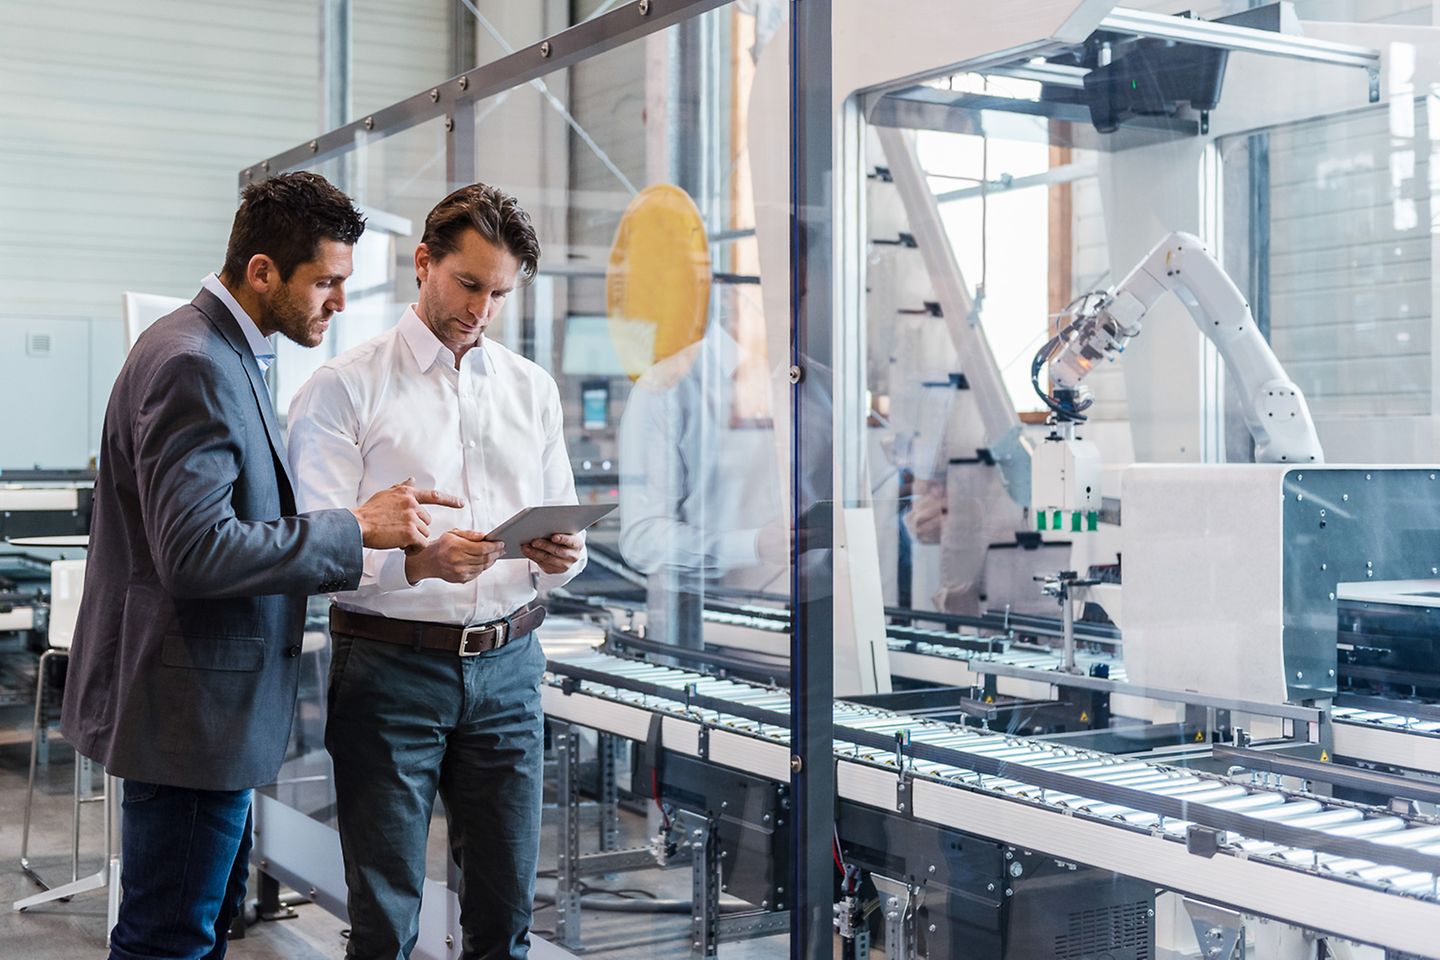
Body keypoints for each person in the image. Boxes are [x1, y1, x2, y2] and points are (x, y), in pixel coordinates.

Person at [59, 171, 463, 960]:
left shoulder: (211, 349)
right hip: (189, 718)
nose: (340, 303)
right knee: (167, 940)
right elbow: (196, 550)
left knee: (194, 929)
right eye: (327, 282)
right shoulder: (195, 363)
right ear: (263, 272)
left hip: (199, 713)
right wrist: (355, 527)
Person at [287, 182, 586, 960]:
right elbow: (315, 557)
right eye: (469, 283)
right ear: (424, 262)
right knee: (385, 918)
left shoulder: (532, 389)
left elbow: (564, 528)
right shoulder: (343, 388)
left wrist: (563, 555)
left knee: (505, 911)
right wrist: (416, 564)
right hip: (389, 672)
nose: (481, 309)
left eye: (499, 293)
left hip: (511, 668)